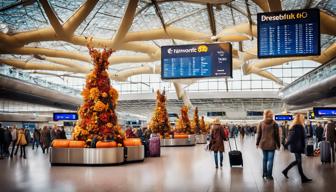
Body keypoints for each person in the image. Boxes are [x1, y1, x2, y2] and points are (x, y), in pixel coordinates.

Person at [282, 114, 312, 183]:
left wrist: (287, 144)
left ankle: (285, 171)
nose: (304, 119)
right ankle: (303, 178)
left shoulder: (294, 126)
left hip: (296, 146)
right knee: (298, 161)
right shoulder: (299, 127)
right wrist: (286, 145)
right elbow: (292, 137)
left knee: (298, 161)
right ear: (300, 119)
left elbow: (292, 137)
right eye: (303, 118)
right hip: (297, 146)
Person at [256, 109, 280, 180]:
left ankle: (264, 174)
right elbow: (276, 135)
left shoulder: (261, 123)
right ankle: (269, 176)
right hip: (272, 144)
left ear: (265, 115)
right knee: (270, 160)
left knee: (264, 159)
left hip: (263, 144)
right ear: (271, 115)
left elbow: (259, 134)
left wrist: (257, 143)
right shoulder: (274, 124)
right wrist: (278, 145)